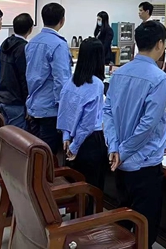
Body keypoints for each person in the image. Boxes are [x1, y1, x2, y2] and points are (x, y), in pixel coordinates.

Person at [103, 21, 166, 249]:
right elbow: (148, 125)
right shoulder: (158, 78)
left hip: (120, 163)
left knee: (124, 221)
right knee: (145, 231)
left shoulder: (120, 72)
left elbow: (107, 112)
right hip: (144, 164)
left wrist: (114, 147)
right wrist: (122, 151)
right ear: (159, 44)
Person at [58, 38, 108, 207]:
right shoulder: (96, 85)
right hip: (90, 141)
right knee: (92, 189)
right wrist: (75, 146)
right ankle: (90, 220)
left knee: (77, 187)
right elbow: (88, 124)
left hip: (72, 138)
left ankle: (77, 217)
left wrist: (67, 137)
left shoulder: (71, 81)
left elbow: (64, 111)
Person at [26, 3, 71, 155]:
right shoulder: (59, 44)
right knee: (47, 155)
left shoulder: (32, 42)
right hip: (50, 109)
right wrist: (64, 108)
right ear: (62, 20)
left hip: (33, 104)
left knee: (35, 152)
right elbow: (61, 80)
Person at [0, 13, 34, 130]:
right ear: (30, 29)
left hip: (3, 97)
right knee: (17, 137)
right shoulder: (24, 48)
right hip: (16, 101)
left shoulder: (5, 43)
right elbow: (24, 77)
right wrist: (28, 104)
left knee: (6, 135)